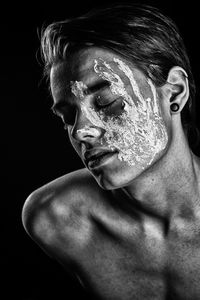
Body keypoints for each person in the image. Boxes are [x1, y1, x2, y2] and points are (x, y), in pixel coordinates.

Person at [22, 3, 200, 299]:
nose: (80, 131)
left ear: (176, 93)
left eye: (107, 103)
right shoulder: (57, 219)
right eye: (68, 116)